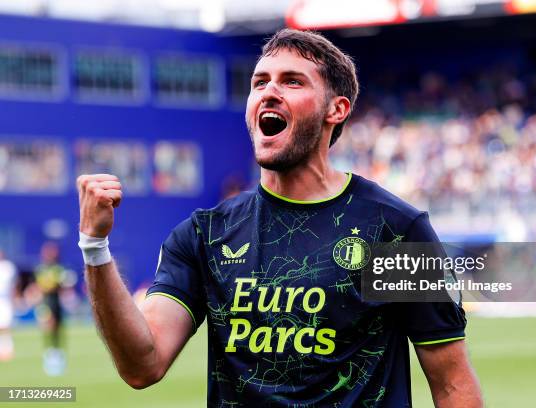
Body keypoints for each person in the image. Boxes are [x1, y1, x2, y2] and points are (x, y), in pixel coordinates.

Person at [77, 29, 482, 407]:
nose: (269, 91)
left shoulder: (395, 231)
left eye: (292, 81)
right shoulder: (204, 235)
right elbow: (141, 365)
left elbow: (451, 383)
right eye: (259, 82)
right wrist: (95, 247)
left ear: (336, 109)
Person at [31, 241, 75, 376]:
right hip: (46, 303)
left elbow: (64, 286)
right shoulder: (41, 268)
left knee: (58, 329)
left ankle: (58, 354)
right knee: (48, 328)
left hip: (57, 303)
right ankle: (49, 355)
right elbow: (40, 286)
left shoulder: (59, 268)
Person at [0, 250, 17, 361]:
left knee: (5, 325)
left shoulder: (8, 267)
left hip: (5, 300)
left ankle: (8, 348)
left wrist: (14, 299)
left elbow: (13, 286)